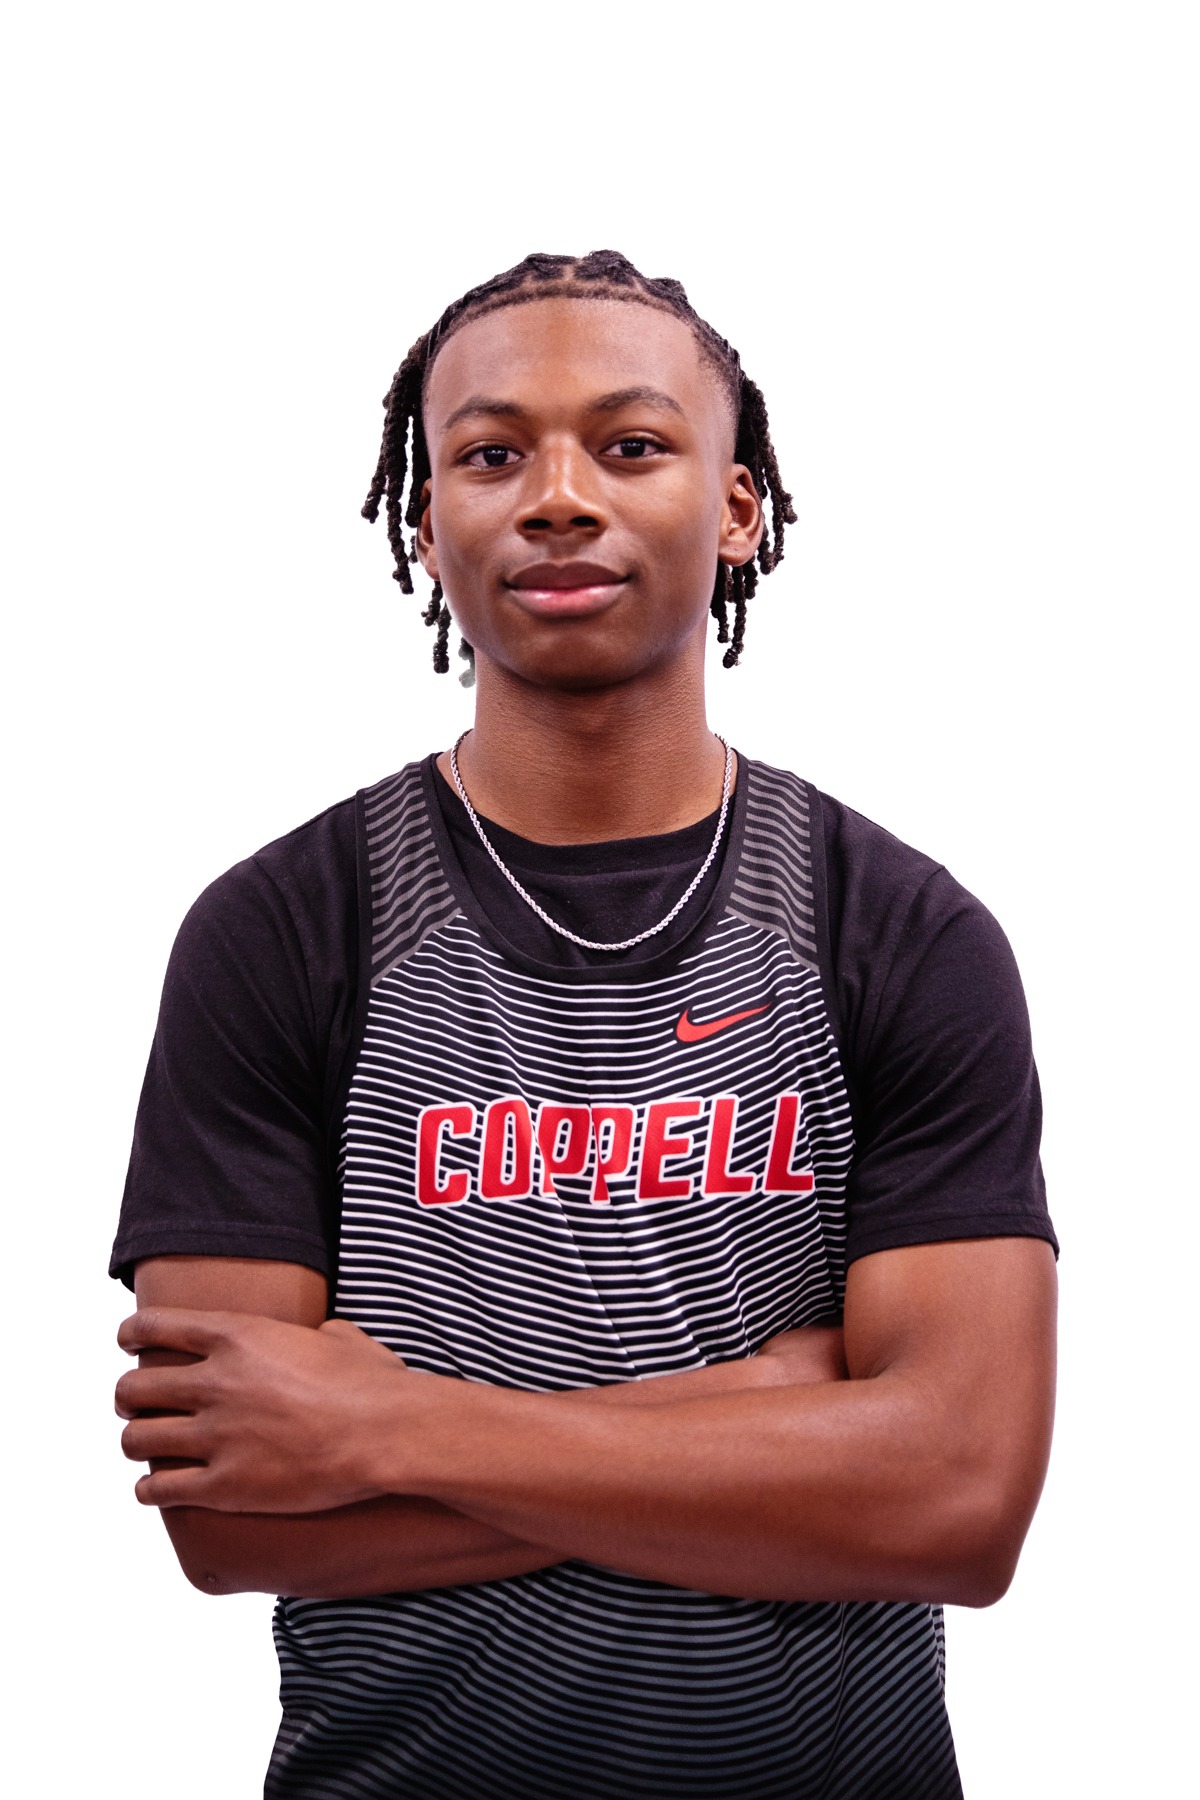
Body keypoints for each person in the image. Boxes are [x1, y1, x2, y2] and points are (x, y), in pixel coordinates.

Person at [111, 250, 1058, 1800]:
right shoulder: (284, 929)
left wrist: (383, 1428)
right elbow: (230, 1516)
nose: (558, 498)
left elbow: (959, 1502)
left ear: (737, 506)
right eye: (491, 455)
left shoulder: (897, 929)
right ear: (426, 523)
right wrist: (778, 1412)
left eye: (629, 444)